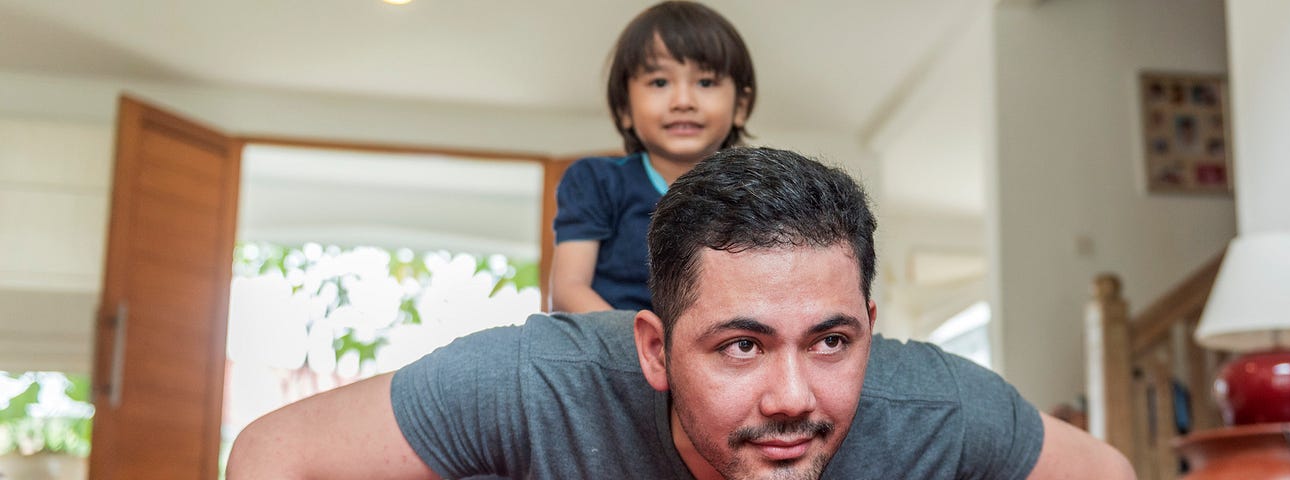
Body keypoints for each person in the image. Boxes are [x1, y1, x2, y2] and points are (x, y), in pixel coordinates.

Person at [226, 148, 1134, 480]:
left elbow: (1106, 472)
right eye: (741, 345)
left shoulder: (935, 409)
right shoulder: (536, 383)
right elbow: (275, 454)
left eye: (830, 340)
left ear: (868, 321)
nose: (792, 396)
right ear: (654, 349)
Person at [549, 0, 756, 313]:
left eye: (705, 82)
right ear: (624, 109)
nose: (683, 101)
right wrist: (645, 347)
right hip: (609, 346)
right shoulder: (595, 180)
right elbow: (568, 289)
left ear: (740, 106)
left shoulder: (757, 191)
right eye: (660, 82)